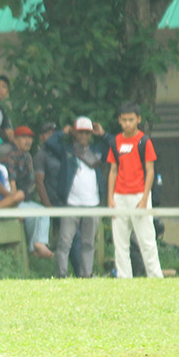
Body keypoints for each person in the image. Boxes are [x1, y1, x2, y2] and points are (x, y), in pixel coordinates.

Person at [46, 116, 113, 278]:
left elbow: (116, 147)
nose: (84, 136)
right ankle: (62, 275)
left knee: (88, 243)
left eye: (87, 133)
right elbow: (49, 143)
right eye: (80, 133)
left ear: (91, 134)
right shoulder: (67, 150)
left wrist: (103, 134)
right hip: (72, 203)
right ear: (75, 134)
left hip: (93, 203)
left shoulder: (97, 150)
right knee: (65, 242)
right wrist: (63, 132)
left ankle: (86, 274)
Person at [107, 101, 163, 279]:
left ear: (138, 119)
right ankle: (124, 279)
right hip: (119, 197)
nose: (127, 124)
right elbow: (113, 170)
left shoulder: (144, 141)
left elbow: (150, 171)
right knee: (120, 242)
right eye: (124, 120)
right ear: (119, 120)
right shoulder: (115, 142)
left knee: (147, 240)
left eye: (131, 120)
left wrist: (145, 198)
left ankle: (155, 278)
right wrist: (110, 197)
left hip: (139, 194)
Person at [1, 125, 52, 258]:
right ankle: (35, 247)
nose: (28, 141)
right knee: (32, 213)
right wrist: (14, 207)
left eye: (30, 138)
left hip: (24, 198)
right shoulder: (11, 156)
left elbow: (31, 180)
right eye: (24, 137)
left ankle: (39, 244)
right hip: (11, 200)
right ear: (16, 140)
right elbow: (11, 183)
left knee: (44, 211)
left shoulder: (28, 156)